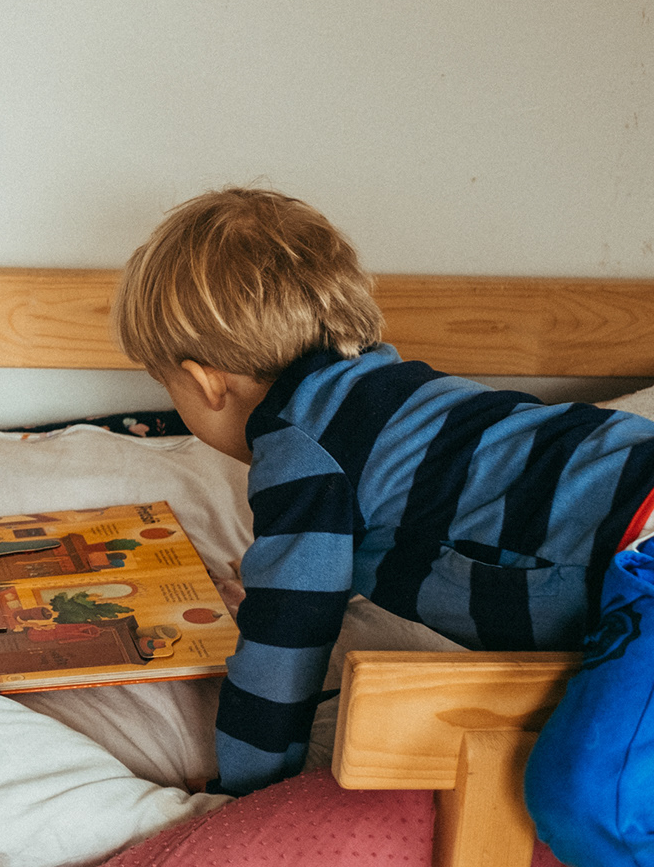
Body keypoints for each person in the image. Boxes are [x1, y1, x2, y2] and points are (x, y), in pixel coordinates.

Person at [111, 186, 654, 827]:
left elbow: (283, 647)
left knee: (590, 802)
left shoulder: (298, 449)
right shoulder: (391, 391)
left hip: (636, 551)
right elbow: (408, 522)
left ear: (206, 383)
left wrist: (246, 790)